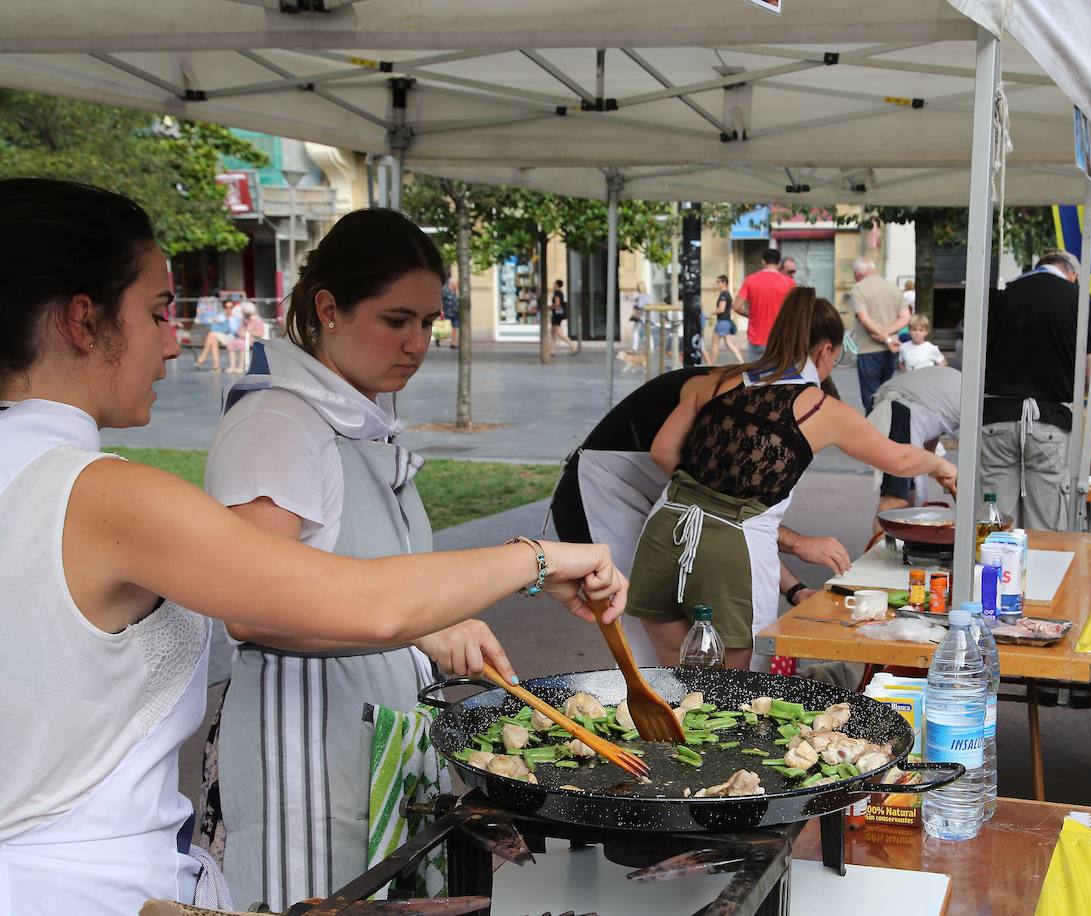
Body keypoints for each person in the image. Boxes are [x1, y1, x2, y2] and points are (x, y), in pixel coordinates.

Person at [0, 178, 627, 916]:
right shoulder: (106, 494)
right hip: (84, 886)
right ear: (83, 321)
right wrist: (542, 557)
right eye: (159, 310)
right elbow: (367, 603)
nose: (176, 339)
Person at [625, 287, 957, 670]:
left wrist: (707, 492)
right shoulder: (819, 407)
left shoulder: (717, 380)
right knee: (734, 691)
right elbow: (898, 457)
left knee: (672, 681)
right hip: (729, 553)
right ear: (825, 351)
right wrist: (941, 466)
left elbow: (662, 452)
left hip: (665, 532)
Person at [549, 366, 852, 663]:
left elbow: (745, 532)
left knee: (678, 656)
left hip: (654, 506)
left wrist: (795, 590)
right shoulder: (736, 416)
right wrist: (799, 544)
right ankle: (651, 706)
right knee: (643, 631)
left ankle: (673, 703)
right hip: (597, 494)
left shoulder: (748, 409)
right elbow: (733, 522)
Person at [981, 250, 1091, 531]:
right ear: (1071, 275)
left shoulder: (996, 295)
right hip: (1050, 423)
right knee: (1047, 522)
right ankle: (1041, 571)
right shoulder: (1079, 299)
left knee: (994, 520)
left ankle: (995, 573)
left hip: (995, 420)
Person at [867, 365, 962, 525]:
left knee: (909, 499)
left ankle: (899, 547)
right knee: (894, 503)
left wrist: (933, 467)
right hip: (899, 412)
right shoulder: (971, 400)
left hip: (898, 406)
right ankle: (880, 549)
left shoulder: (952, 393)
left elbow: (931, 433)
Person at [849, 256, 910, 413]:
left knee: (871, 396)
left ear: (858, 273)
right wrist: (888, 334)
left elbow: (863, 317)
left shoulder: (859, 288)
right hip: (891, 348)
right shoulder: (893, 287)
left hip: (868, 349)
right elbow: (905, 317)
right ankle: (886, 430)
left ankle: (873, 430)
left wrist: (881, 334)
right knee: (886, 394)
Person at [735, 248, 795, 361]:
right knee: (777, 377)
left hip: (756, 340)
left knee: (756, 377)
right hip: (779, 341)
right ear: (779, 264)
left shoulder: (750, 280)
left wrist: (750, 314)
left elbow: (737, 306)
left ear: (763, 261)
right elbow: (795, 311)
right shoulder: (789, 282)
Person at [708, 274, 744, 365]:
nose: (717, 284)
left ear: (724, 283)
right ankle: (741, 361)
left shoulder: (724, 294)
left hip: (723, 322)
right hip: (726, 321)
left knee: (714, 343)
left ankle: (711, 363)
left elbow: (721, 309)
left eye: (718, 282)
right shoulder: (727, 294)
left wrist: (711, 313)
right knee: (729, 344)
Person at [195, 297, 232, 371]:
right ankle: (216, 366)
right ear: (224, 307)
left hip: (233, 338)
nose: (229, 309)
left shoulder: (236, 316)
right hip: (222, 337)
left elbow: (232, 330)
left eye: (231, 307)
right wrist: (221, 324)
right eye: (226, 307)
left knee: (212, 334)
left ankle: (202, 357)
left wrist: (221, 324)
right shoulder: (221, 316)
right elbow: (214, 328)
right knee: (213, 341)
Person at [550, 278, 578, 354]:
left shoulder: (557, 292)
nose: (553, 285)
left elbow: (557, 304)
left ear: (557, 285)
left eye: (554, 283)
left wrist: (550, 307)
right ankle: (551, 350)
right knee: (552, 333)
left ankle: (573, 345)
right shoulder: (561, 292)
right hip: (558, 313)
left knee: (559, 333)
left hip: (556, 314)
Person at [441, 276, 459, 349]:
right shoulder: (444, 290)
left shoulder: (456, 290)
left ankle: (453, 343)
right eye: (456, 283)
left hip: (455, 312)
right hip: (447, 312)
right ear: (451, 283)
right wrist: (441, 310)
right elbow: (440, 300)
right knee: (445, 327)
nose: (457, 284)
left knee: (455, 327)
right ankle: (438, 339)